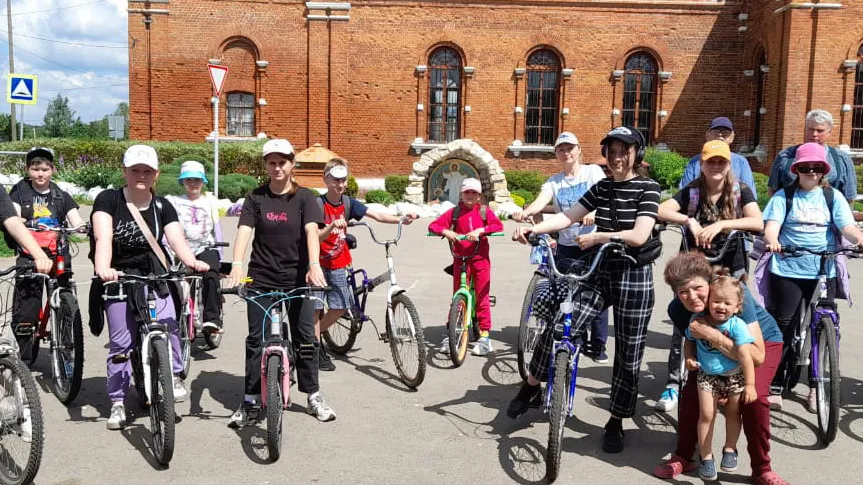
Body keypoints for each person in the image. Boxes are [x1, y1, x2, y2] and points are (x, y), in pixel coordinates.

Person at [508, 126, 662, 454]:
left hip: (633, 276)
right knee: (560, 327)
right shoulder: (603, 186)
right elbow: (566, 217)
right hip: (599, 271)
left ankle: (616, 421)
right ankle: (532, 385)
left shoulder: (648, 188)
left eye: (625, 150)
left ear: (638, 153)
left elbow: (639, 236)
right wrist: (533, 228)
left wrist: (599, 237)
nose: (618, 157)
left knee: (629, 355)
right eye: (612, 151)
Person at [91, 145, 210, 430]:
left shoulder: (162, 206)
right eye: (135, 170)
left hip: (156, 273)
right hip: (119, 274)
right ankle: (118, 401)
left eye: (147, 171)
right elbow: (103, 237)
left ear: (156, 175)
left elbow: (176, 240)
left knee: (168, 325)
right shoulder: (109, 200)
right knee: (121, 342)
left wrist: (192, 261)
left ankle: (175, 375)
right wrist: (103, 267)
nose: (141, 176)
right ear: (125, 172)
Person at [653, 253, 788, 485]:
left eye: (697, 288)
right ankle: (685, 456)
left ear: (709, 281)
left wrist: (712, 334)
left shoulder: (731, 295)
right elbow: (692, 342)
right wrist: (692, 359)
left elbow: (756, 356)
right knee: (691, 394)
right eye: (683, 292)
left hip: (762, 343)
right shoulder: (677, 310)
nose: (692, 297)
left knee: (754, 399)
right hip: (711, 354)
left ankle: (761, 468)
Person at [226, 138, 334, 426]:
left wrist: (313, 266)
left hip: (298, 278)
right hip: (261, 277)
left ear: (292, 164)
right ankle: (250, 400)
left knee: (306, 339)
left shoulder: (305, 198)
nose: (277, 167)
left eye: (282, 162)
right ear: (265, 165)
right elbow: (245, 232)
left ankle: (312, 395)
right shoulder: (255, 197)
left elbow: (312, 232)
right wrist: (237, 266)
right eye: (271, 162)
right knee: (256, 341)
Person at [655, 140, 763, 412]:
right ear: (701, 165)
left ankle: (728, 377)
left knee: (729, 321)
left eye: (721, 162)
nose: (716, 166)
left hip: (729, 268)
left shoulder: (740, 191)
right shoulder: (692, 192)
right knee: (686, 320)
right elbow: (659, 208)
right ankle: (673, 383)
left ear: (728, 165)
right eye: (710, 161)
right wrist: (687, 220)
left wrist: (724, 223)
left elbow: (757, 222)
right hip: (696, 270)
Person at [758, 142, 863, 412]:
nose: (812, 173)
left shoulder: (832, 197)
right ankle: (775, 382)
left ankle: (817, 385)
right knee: (784, 324)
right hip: (788, 266)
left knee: (827, 324)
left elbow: (847, 226)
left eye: (817, 168)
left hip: (822, 268)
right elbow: (772, 227)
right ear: (797, 170)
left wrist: (859, 239)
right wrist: (772, 241)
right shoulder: (784, 196)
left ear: (824, 171)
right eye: (806, 168)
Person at [513, 132, 611, 363]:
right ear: (556, 154)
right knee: (567, 292)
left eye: (570, 148)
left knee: (595, 293)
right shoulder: (554, 182)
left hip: (593, 241)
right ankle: (573, 337)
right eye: (561, 149)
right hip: (567, 244)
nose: (566, 153)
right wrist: (525, 213)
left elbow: (605, 196)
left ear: (579, 150)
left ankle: (597, 344)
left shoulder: (592, 172)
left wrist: (595, 213)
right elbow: (540, 201)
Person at [315, 157, 417, 371]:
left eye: (343, 180)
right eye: (335, 180)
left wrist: (401, 219)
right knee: (315, 308)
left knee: (341, 306)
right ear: (326, 180)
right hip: (317, 262)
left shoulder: (348, 203)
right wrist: (332, 225)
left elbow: (377, 215)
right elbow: (313, 236)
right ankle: (314, 346)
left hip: (339, 262)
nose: (340, 185)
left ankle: (314, 333)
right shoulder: (317, 204)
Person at [8, 146, 85, 357]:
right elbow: (13, 217)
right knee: (27, 305)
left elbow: (75, 219)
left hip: (57, 252)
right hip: (29, 254)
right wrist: (28, 221)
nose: (40, 174)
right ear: (27, 170)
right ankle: (23, 356)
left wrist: (82, 227)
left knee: (66, 295)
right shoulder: (20, 192)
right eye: (35, 169)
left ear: (52, 169)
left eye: (44, 169)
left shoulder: (61, 195)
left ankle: (67, 342)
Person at [684, 272, 757, 481]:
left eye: (727, 303)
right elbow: (688, 341)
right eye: (716, 301)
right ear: (708, 302)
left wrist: (750, 385)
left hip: (734, 376)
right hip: (707, 375)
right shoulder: (697, 321)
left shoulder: (737, 326)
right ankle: (706, 457)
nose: (721, 307)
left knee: (734, 413)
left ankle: (730, 448)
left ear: (737, 306)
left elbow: (745, 356)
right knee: (707, 415)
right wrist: (688, 358)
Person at [428, 177, 504, 356]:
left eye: (474, 193)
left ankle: (484, 335)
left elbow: (497, 225)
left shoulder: (484, 211)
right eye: (467, 192)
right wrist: (446, 231)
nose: (470, 196)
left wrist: (480, 231)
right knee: (457, 295)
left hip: (480, 259)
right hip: (460, 259)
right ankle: (454, 332)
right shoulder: (454, 212)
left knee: (482, 296)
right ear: (461, 194)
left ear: (479, 196)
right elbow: (434, 226)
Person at [165, 160, 224, 335]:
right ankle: (174, 318)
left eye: (197, 180)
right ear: (182, 182)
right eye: (189, 180)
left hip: (205, 247)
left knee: (211, 276)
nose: (193, 184)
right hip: (181, 249)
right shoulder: (173, 202)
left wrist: (219, 255)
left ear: (203, 182)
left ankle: (212, 319)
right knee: (173, 280)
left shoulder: (210, 201)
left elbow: (223, 219)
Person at [767, 109, 856, 204]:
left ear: (829, 132)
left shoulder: (841, 159)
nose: (814, 134)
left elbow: (849, 197)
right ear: (805, 129)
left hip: (828, 216)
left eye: (820, 131)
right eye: (811, 129)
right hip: (791, 214)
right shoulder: (785, 156)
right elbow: (772, 190)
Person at [679, 117, 757, 197]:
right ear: (707, 135)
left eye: (725, 133)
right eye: (715, 132)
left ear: (732, 138)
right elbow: (684, 195)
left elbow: (750, 195)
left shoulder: (741, 162)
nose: (720, 136)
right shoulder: (695, 162)